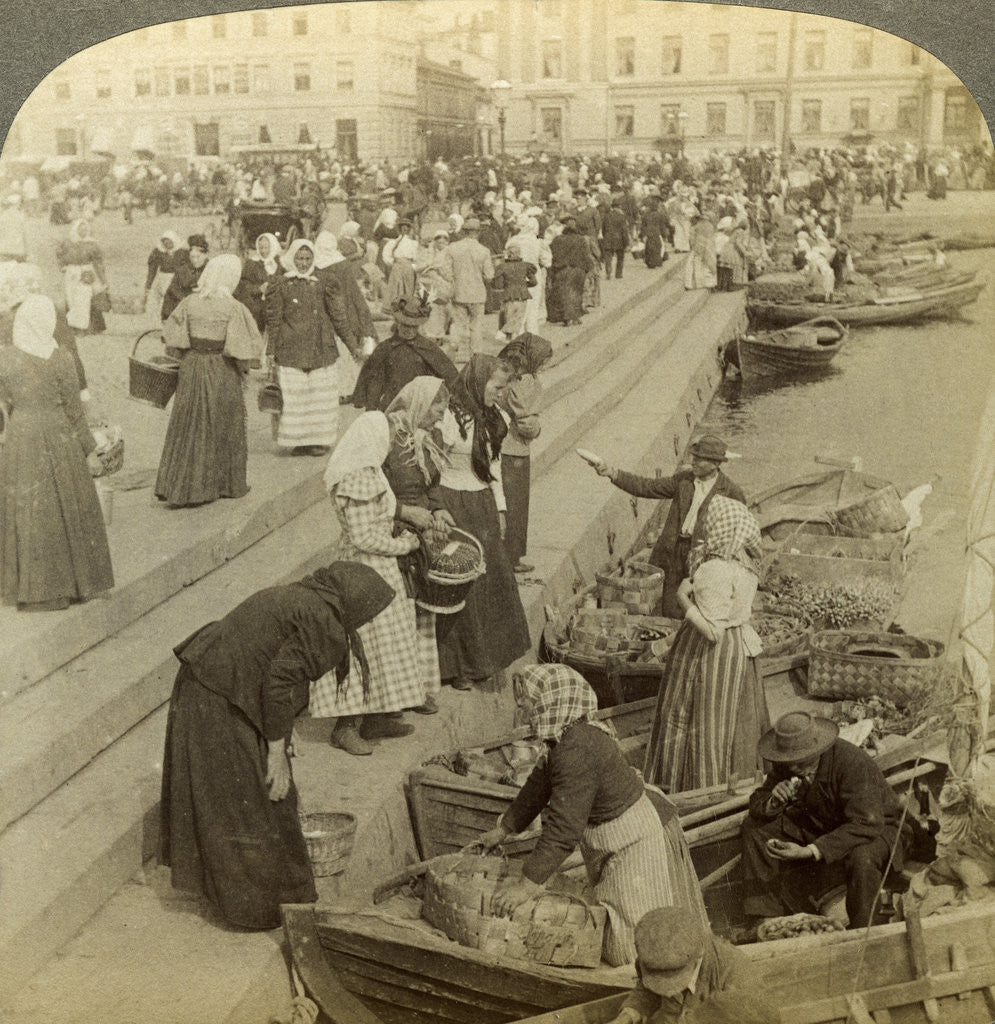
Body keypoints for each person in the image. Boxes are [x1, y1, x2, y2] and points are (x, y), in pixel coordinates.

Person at [158, 562, 394, 929]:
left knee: (243, 798)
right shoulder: (326, 626)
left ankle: (270, 894)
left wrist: (283, 732)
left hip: (212, 682)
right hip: (217, 695)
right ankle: (252, 908)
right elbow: (278, 681)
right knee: (250, 801)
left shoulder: (306, 598)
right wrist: (275, 751)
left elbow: (275, 665)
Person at [479, 666, 708, 966]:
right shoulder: (563, 737)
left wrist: (526, 886)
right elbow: (540, 784)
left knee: (634, 937)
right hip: (616, 835)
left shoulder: (575, 749)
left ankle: (652, 981)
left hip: (636, 838)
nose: (520, 705)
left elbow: (563, 831)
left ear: (551, 701)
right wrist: (504, 829)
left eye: (527, 699)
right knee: (619, 922)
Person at [312, 413, 436, 755]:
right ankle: (345, 726)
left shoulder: (370, 471)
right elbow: (363, 536)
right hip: (363, 572)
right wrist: (405, 546)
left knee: (386, 646)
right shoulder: (356, 479)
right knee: (361, 647)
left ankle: (377, 717)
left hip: (381, 571)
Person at [642, 496, 769, 792]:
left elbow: (712, 630)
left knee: (695, 720)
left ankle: (693, 787)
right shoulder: (747, 568)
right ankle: (734, 781)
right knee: (730, 722)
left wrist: (683, 598)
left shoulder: (714, 569)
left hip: (711, 654)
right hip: (738, 650)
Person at [741, 712, 912, 930]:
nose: (793, 768)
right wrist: (773, 801)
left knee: (862, 857)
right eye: (789, 762)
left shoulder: (851, 762)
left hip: (882, 829)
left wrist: (810, 850)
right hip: (830, 826)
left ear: (817, 749)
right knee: (755, 827)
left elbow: (867, 823)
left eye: (801, 762)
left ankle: (867, 930)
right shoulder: (789, 763)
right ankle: (766, 918)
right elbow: (757, 801)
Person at [0, 294, 113, 610]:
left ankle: (32, 588)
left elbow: (3, 401)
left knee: (29, 510)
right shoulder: (62, 357)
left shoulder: (5, 358)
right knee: (67, 507)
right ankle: (73, 583)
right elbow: (75, 411)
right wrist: (90, 450)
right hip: (59, 436)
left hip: (22, 437)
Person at [435, 355, 531, 690]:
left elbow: (493, 470)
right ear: (478, 382)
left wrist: (501, 510)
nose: (501, 394)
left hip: (482, 505)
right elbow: (432, 466)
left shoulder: (496, 418)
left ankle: (487, 659)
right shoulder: (448, 416)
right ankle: (460, 667)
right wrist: (435, 510)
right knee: (461, 584)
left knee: (493, 581)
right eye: (497, 387)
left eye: (504, 388)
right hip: (452, 502)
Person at [589, 434, 746, 618]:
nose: (692, 461)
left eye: (699, 459)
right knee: (668, 606)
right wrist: (613, 473)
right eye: (693, 456)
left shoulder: (731, 492)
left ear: (715, 464)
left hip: (702, 558)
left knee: (698, 608)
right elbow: (647, 487)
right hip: (672, 551)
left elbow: (741, 532)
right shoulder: (684, 480)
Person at [155, 255, 263, 508]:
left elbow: (173, 340)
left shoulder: (190, 302)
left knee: (188, 423)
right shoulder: (234, 307)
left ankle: (179, 485)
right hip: (220, 368)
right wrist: (244, 371)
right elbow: (241, 350)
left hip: (192, 366)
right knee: (223, 423)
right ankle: (221, 484)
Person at [266, 238, 358, 457]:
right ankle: (298, 441)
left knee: (319, 396)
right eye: (299, 258)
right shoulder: (280, 284)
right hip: (291, 349)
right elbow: (274, 320)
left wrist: (352, 346)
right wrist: (270, 350)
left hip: (320, 348)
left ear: (314, 259)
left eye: (308, 258)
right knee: (295, 397)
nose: (304, 263)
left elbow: (339, 317)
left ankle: (318, 440)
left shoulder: (326, 281)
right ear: (292, 258)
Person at [607, 907, 778, 1024]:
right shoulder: (653, 957)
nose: (666, 985)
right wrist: (630, 1012)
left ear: (698, 956)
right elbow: (646, 990)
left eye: (675, 976)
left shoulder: (736, 974)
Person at [497, 333, 553, 574]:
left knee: (507, 506)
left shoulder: (507, 375)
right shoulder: (526, 381)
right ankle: (512, 558)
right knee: (516, 507)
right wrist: (536, 426)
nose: (544, 365)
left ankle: (506, 556)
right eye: (542, 360)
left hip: (504, 449)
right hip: (514, 450)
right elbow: (526, 422)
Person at [350, 295, 457, 411]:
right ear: (397, 322)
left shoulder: (428, 348)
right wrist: (372, 411)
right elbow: (375, 384)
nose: (409, 330)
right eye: (405, 325)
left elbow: (449, 376)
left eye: (414, 327)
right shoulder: (385, 349)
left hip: (420, 408)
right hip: (391, 407)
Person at [445, 217, 494, 361]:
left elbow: (445, 271)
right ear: (478, 232)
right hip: (477, 294)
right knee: (476, 326)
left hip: (458, 292)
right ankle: (476, 356)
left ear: (464, 231)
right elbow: (489, 275)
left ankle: (453, 347)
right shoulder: (484, 251)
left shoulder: (452, 247)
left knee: (458, 324)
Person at [56, 219, 108, 335]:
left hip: (86, 274)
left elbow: (98, 262)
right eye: (81, 228)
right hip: (71, 274)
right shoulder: (67, 242)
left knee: (84, 299)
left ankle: (83, 328)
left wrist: (103, 279)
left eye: (86, 229)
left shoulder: (92, 244)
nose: (83, 231)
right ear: (76, 229)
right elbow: (59, 255)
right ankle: (73, 327)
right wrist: (63, 266)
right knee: (71, 299)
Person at [233, 233, 283, 332]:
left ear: (272, 247)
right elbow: (244, 285)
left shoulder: (279, 264)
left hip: (276, 307)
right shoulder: (252, 264)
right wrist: (258, 289)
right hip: (258, 307)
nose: (263, 251)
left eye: (266, 247)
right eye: (261, 248)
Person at [546, 214, 590, 326]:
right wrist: (587, 270)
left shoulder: (557, 240)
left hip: (563, 270)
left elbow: (552, 255)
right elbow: (586, 256)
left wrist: (552, 271)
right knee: (576, 293)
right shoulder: (581, 240)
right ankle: (575, 316)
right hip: (579, 270)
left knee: (565, 294)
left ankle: (567, 318)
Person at [493, 241, 537, 343]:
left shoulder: (503, 267)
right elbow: (534, 282)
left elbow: (498, 284)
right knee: (518, 320)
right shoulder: (526, 266)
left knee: (508, 318)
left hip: (508, 295)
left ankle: (505, 335)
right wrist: (523, 285)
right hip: (523, 296)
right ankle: (512, 338)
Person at [161, 235, 209, 321]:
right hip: (184, 313)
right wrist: (166, 317)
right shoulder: (182, 271)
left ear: (206, 255)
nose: (195, 260)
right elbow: (171, 293)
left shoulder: (212, 269)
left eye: (198, 257)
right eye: (192, 257)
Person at [143, 230, 183, 324]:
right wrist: (148, 286)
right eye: (164, 241)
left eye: (169, 241)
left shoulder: (182, 252)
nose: (166, 243)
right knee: (162, 302)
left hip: (178, 279)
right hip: (163, 280)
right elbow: (152, 270)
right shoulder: (158, 251)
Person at [600, 197, 630, 280]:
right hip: (619, 239)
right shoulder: (622, 217)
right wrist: (627, 243)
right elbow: (624, 231)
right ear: (619, 207)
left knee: (608, 257)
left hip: (608, 239)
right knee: (620, 257)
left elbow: (603, 229)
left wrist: (605, 236)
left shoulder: (606, 216)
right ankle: (618, 274)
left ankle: (608, 271)